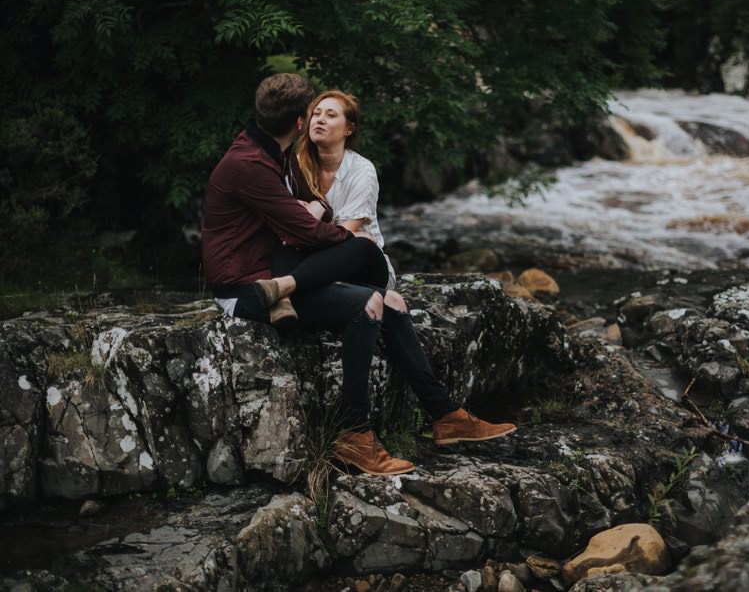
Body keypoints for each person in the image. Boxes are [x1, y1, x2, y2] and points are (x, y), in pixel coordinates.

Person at [201, 73, 516, 476]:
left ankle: (445, 415)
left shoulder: (273, 155)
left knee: (387, 298)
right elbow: (307, 229)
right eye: (314, 113)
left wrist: (316, 212)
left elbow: (310, 213)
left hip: (278, 272)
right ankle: (354, 435)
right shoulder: (251, 164)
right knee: (367, 293)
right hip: (245, 290)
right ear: (301, 121)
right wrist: (326, 222)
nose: (318, 120)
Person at [297, 90, 396, 289]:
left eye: (331, 115)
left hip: (364, 268)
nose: (320, 120)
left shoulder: (362, 170)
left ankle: (287, 286)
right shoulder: (295, 166)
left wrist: (310, 217)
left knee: (360, 243)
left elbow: (344, 237)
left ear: (349, 129)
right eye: (316, 114)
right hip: (311, 262)